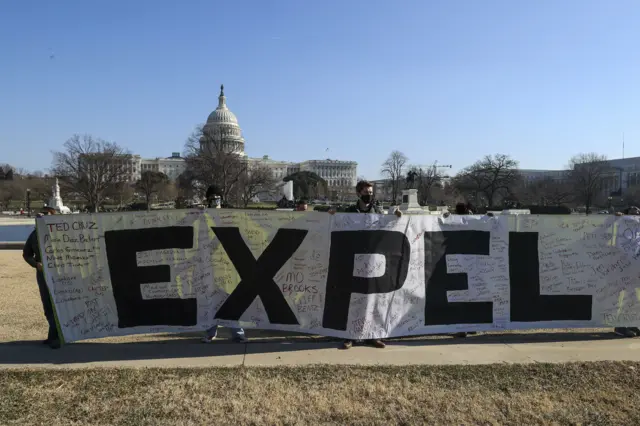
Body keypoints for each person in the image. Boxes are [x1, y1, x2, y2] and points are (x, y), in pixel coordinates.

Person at [329, 180, 402, 349]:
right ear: (358, 193)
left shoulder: (377, 211)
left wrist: (396, 215)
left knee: (371, 300)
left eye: (370, 191)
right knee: (352, 300)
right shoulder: (348, 211)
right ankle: (349, 336)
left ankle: (372, 335)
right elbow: (335, 221)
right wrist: (331, 214)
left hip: (372, 262)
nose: (369, 194)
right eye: (366, 192)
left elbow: (387, 225)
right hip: (352, 261)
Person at [201, 189, 247, 343]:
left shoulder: (228, 215)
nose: (216, 201)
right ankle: (210, 332)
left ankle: (238, 333)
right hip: (210, 266)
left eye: (218, 198)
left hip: (228, 264)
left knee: (232, 301)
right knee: (211, 301)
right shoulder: (203, 216)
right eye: (213, 198)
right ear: (208, 199)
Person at [23, 206, 60, 349]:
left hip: (61, 273)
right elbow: (26, 254)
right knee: (48, 305)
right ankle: (53, 334)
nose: (41, 216)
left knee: (60, 304)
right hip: (43, 274)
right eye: (40, 214)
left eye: (45, 214)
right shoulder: (34, 235)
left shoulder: (61, 233)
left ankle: (56, 336)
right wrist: (35, 264)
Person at [613, 208, 640, 338]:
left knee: (634, 298)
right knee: (626, 297)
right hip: (624, 268)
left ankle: (633, 323)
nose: (636, 214)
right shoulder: (621, 224)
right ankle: (621, 326)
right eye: (633, 213)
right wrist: (619, 217)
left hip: (635, 267)